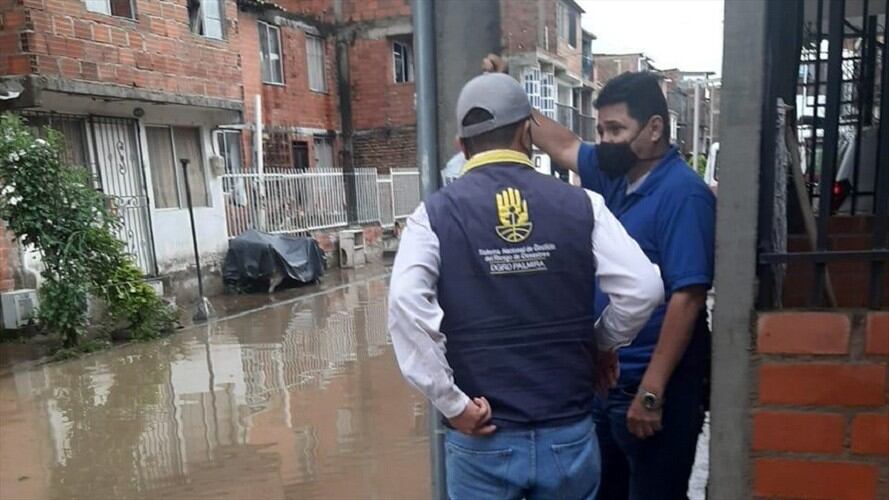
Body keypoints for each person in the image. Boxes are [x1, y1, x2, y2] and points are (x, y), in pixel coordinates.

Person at [388, 72, 663, 499]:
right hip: (568, 438)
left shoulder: (433, 216)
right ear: (526, 134)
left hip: (483, 440)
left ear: (462, 147)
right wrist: (602, 342)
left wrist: (452, 404)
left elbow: (406, 307)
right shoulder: (582, 205)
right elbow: (644, 288)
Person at [485, 55, 716, 500]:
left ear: (653, 129)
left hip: (655, 388)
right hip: (606, 384)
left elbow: (687, 298)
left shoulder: (682, 195)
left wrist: (652, 392)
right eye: (602, 131)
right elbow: (565, 144)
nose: (605, 141)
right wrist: (503, 93)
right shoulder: (617, 176)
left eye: (616, 131)